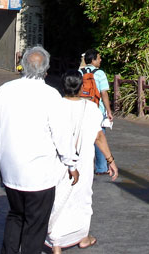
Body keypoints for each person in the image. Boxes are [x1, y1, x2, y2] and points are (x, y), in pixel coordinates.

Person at [0, 46, 79, 254]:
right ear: (46, 69)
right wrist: (71, 164)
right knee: (35, 223)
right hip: (40, 173)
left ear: (23, 65)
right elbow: (62, 135)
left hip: (9, 170)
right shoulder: (50, 95)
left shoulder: (5, 90)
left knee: (16, 215)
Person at [46, 70, 118, 253]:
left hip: (58, 161)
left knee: (58, 198)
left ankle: (56, 242)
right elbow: (99, 137)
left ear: (62, 87)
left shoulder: (54, 106)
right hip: (83, 162)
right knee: (82, 198)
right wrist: (110, 160)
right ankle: (83, 237)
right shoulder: (91, 108)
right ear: (81, 87)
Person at [81, 49, 114, 175]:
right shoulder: (100, 73)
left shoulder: (79, 72)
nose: (100, 60)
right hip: (97, 110)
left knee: (83, 138)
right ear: (93, 60)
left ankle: (84, 165)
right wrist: (108, 111)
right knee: (100, 136)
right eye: (99, 58)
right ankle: (101, 168)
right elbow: (104, 93)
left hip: (82, 108)